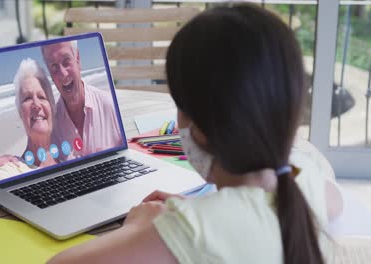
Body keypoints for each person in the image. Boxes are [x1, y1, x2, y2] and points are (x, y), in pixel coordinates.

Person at [47, 4, 342, 264]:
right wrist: (206, 212)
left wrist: (138, 229)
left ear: (198, 130)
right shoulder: (306, 178)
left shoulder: (191, 231)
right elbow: (333, 201)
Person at [41, 40, 123, 161]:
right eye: (54, 67)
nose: (63, 74)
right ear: (50, 74)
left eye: (66, 61)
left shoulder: (109, 105)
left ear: (77, 59)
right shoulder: (51, 127)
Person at [0, 58, 57, 183]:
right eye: (27, 98)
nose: (36, 104)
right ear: (20, 112)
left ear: (52, 107)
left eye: (42, 97)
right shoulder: (11, 171)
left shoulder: (70, 155)